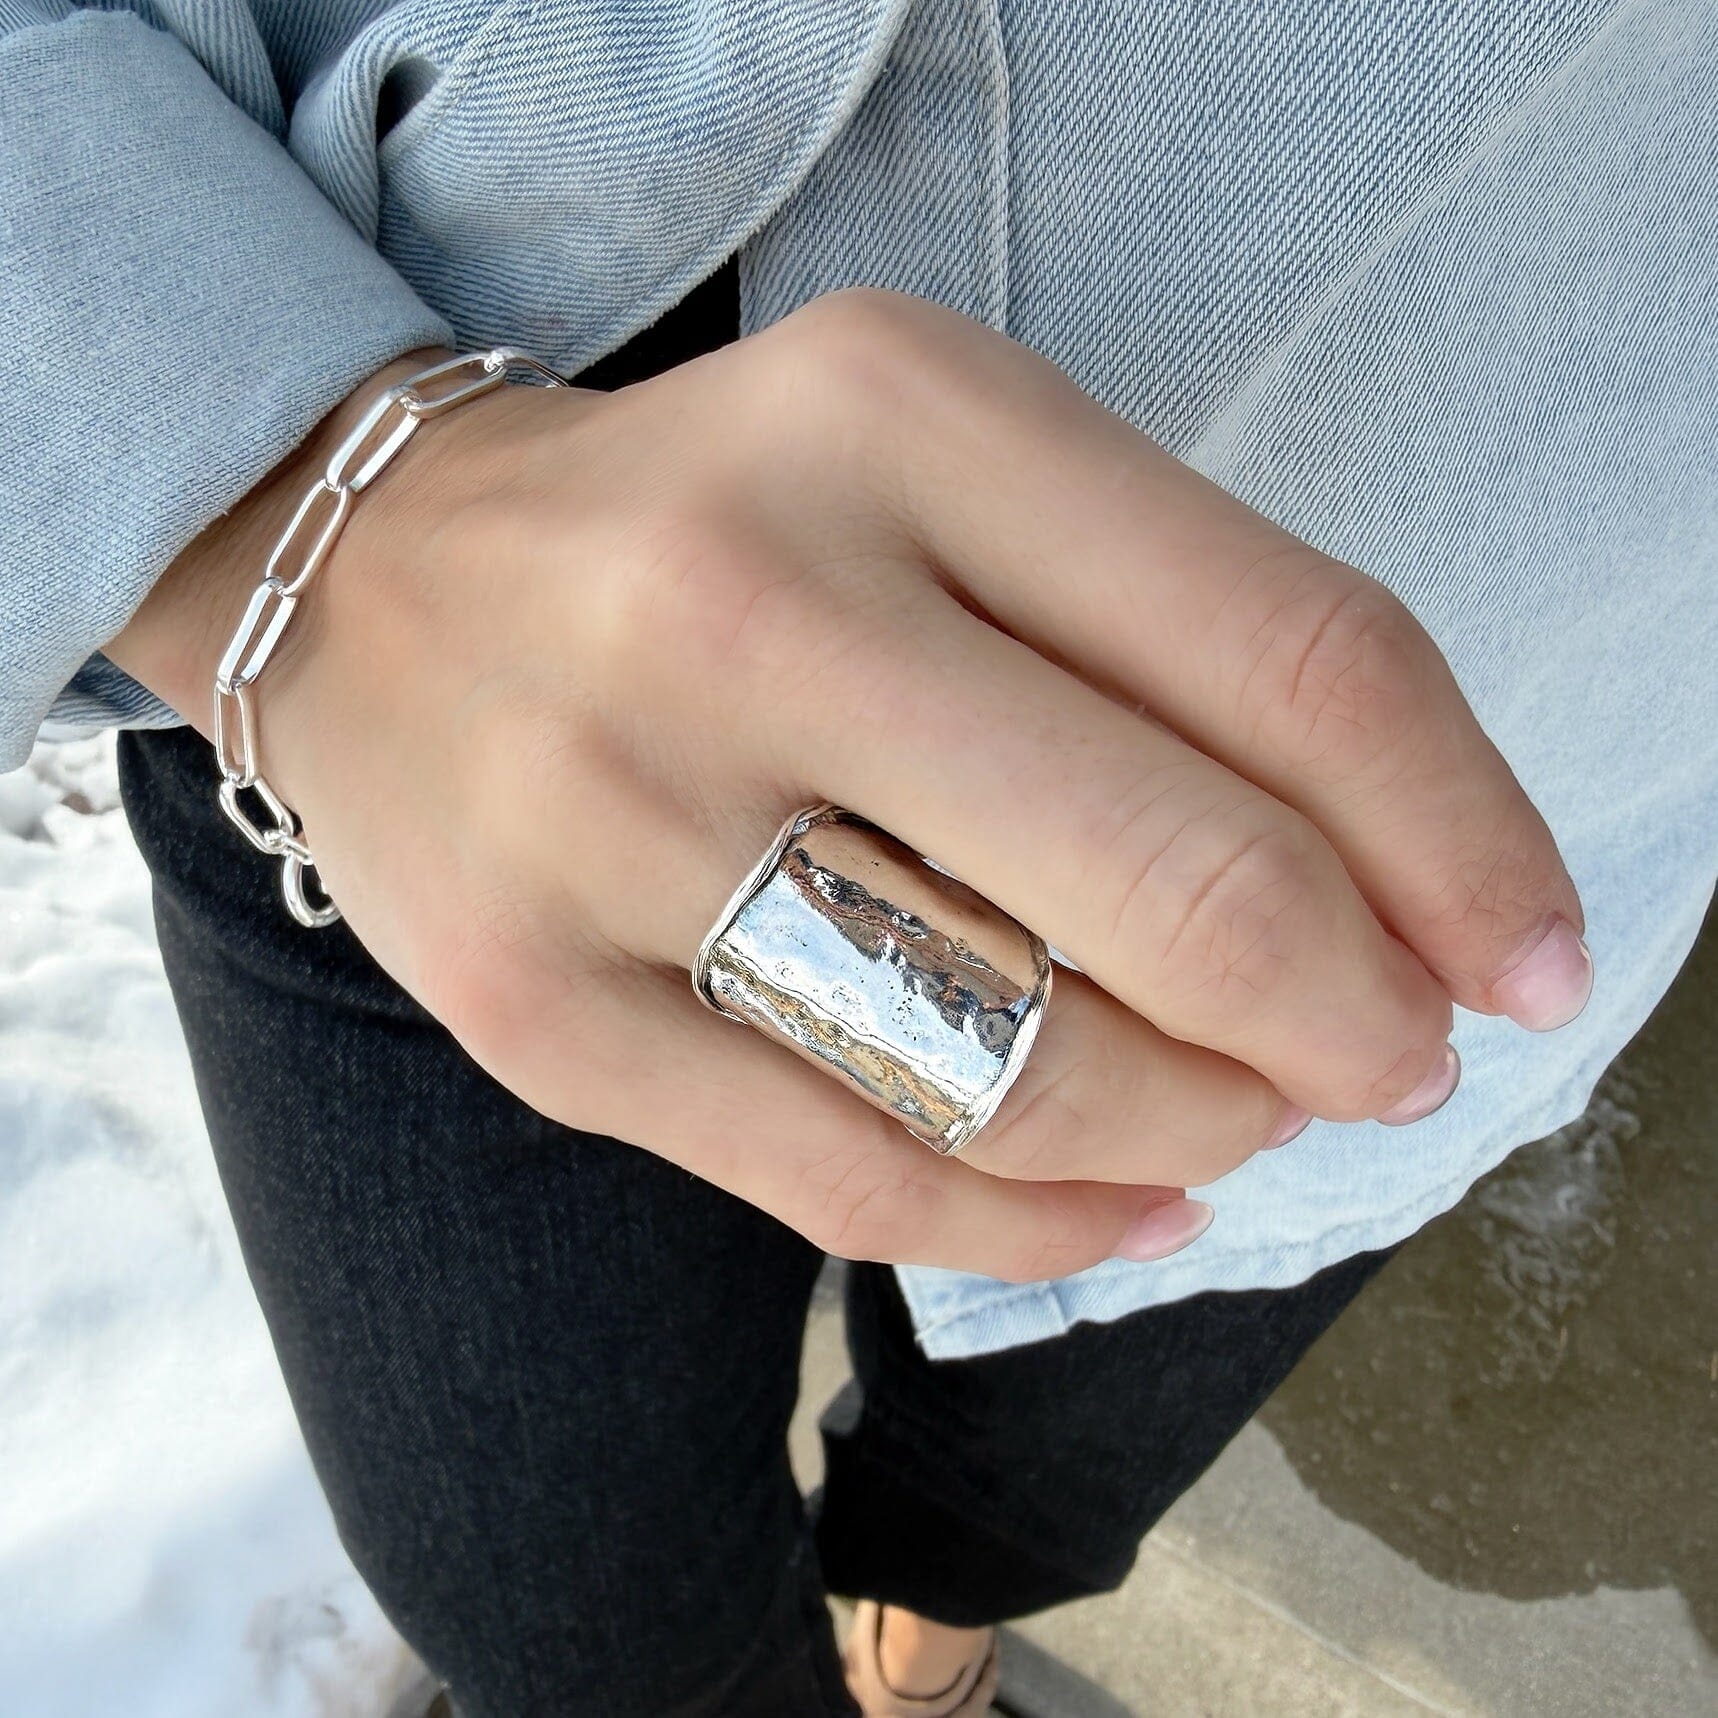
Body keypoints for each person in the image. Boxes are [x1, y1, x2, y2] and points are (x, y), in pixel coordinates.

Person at [4, 4, 1713, 1715]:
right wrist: (295, 502)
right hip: (417, 531)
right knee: (572, 1622)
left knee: (1046, 1453)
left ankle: (928, 1628)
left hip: (1476, 621)